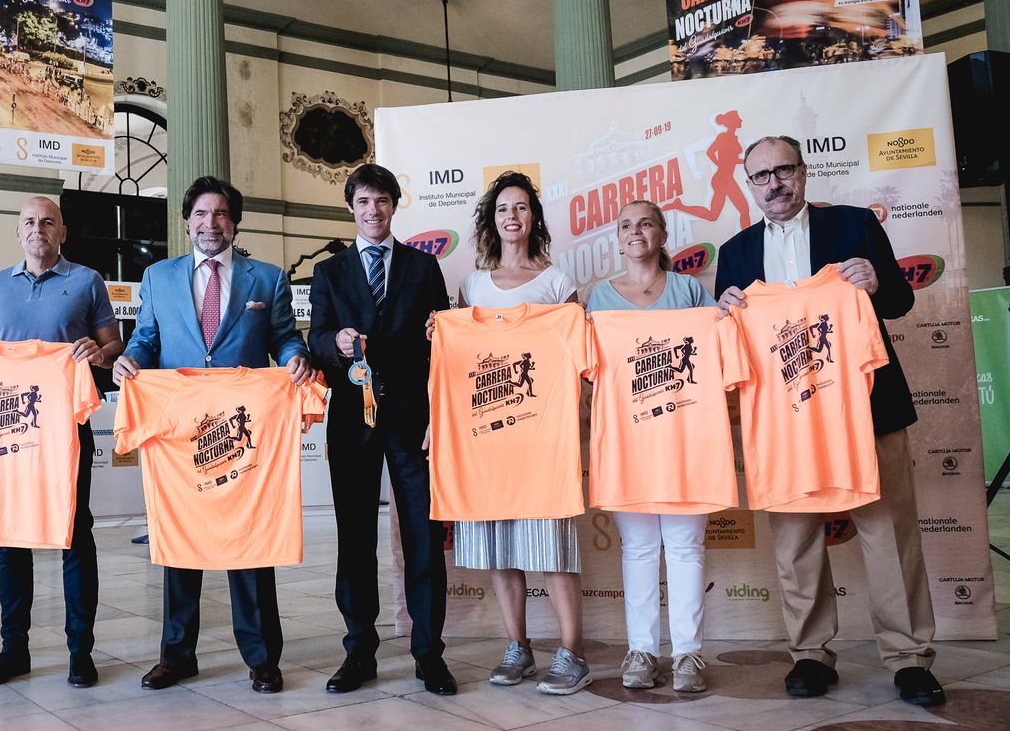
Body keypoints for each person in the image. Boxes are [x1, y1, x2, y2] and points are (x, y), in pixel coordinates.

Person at [714, 134, 944, 707]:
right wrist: (723, 313)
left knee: (888, 531)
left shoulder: (854, 224)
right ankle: (810, 655)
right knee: (794, 540)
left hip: (867, 407)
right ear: (749, 184)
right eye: (761, 175)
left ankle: (910, 657)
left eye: (783, 171)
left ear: (804, 171)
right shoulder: (736, 251)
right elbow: (728, 342)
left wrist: (878, 281)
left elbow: (899, 303)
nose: (774, 184)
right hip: (784, 418)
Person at [112, 176, 311, 694]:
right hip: (182, 436)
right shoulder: (158, 276)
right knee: (181, 543)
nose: (210, 223)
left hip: (241, 431)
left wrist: (295, 361)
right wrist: (130, 361)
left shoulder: (264, 278)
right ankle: (177, 656)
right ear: (187, 222)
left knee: (249, 541)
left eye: (220, 214)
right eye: (201, 214)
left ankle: (263, 658)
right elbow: (147, 339)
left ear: (234, 222)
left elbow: (284, 337)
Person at [0, 195, 123, 690]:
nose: (38, 229)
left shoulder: (87, 281)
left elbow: (114, 347)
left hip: (65, 427)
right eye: (28, 222)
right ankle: (13, 650)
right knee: (10, 539)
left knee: (73, 533)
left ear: (62, 231)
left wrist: (99, 351)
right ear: (18, 232)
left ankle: (79, 652)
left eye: (47, 222)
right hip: (6, 428)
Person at [438, 171, 591, 694]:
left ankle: (572, 651)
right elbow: (457, 363)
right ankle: (518, 647)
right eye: (503, 209)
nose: (512, 217)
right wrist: (442, 333)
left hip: (542, 438)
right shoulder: (472, 287)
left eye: (522, 208)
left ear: (534, 218)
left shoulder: (557, 282)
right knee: (500, 548)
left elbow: (577, 355)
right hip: (486, 439)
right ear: (491, 219)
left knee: (552, 547)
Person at [307, 163, 455, 696]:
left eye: (383, 201)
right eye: (364, 201)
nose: (374, 211)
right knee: (354, 540)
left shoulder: (424, 266)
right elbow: (314, 339)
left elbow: (445, 344)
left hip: (413, 422)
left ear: (395, 206)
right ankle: (359, 651)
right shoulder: (329, 272)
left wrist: (443, 333)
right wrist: (336, 345)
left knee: (423, 538)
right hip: (352, 422)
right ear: (351, 207)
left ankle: (428, 653)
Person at [586, 200, 716, 694]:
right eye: (625, 225)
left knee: (685, 548)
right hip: (626, 442)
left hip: (686, 441)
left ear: (663, 234)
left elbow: (720, 351)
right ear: (616, 239)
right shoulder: (597, 299)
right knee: (639, 550)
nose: (635, 231)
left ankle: (688, 655)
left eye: (645, 223)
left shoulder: (689, 291)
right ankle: (641, 649)